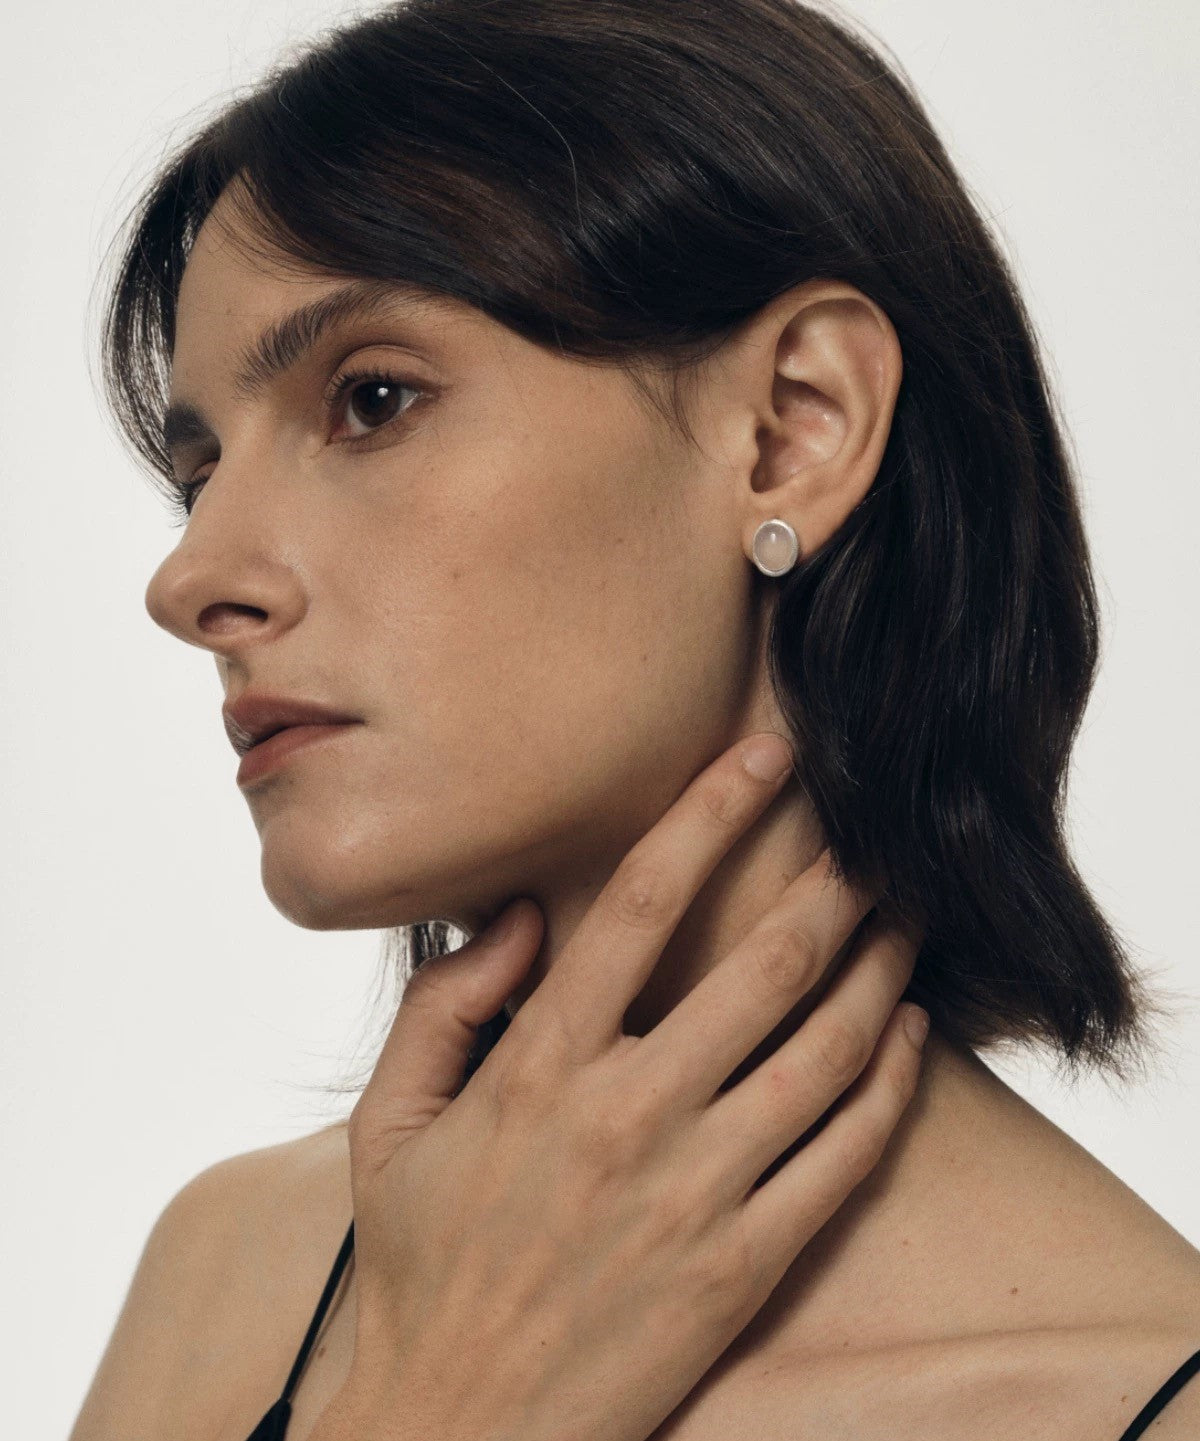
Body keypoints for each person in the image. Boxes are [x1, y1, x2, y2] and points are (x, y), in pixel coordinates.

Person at [73, 1, 1200, 1438]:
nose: (189, 580)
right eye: (201, 477)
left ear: (792, 428)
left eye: (372, 399)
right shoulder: (227, 1274)